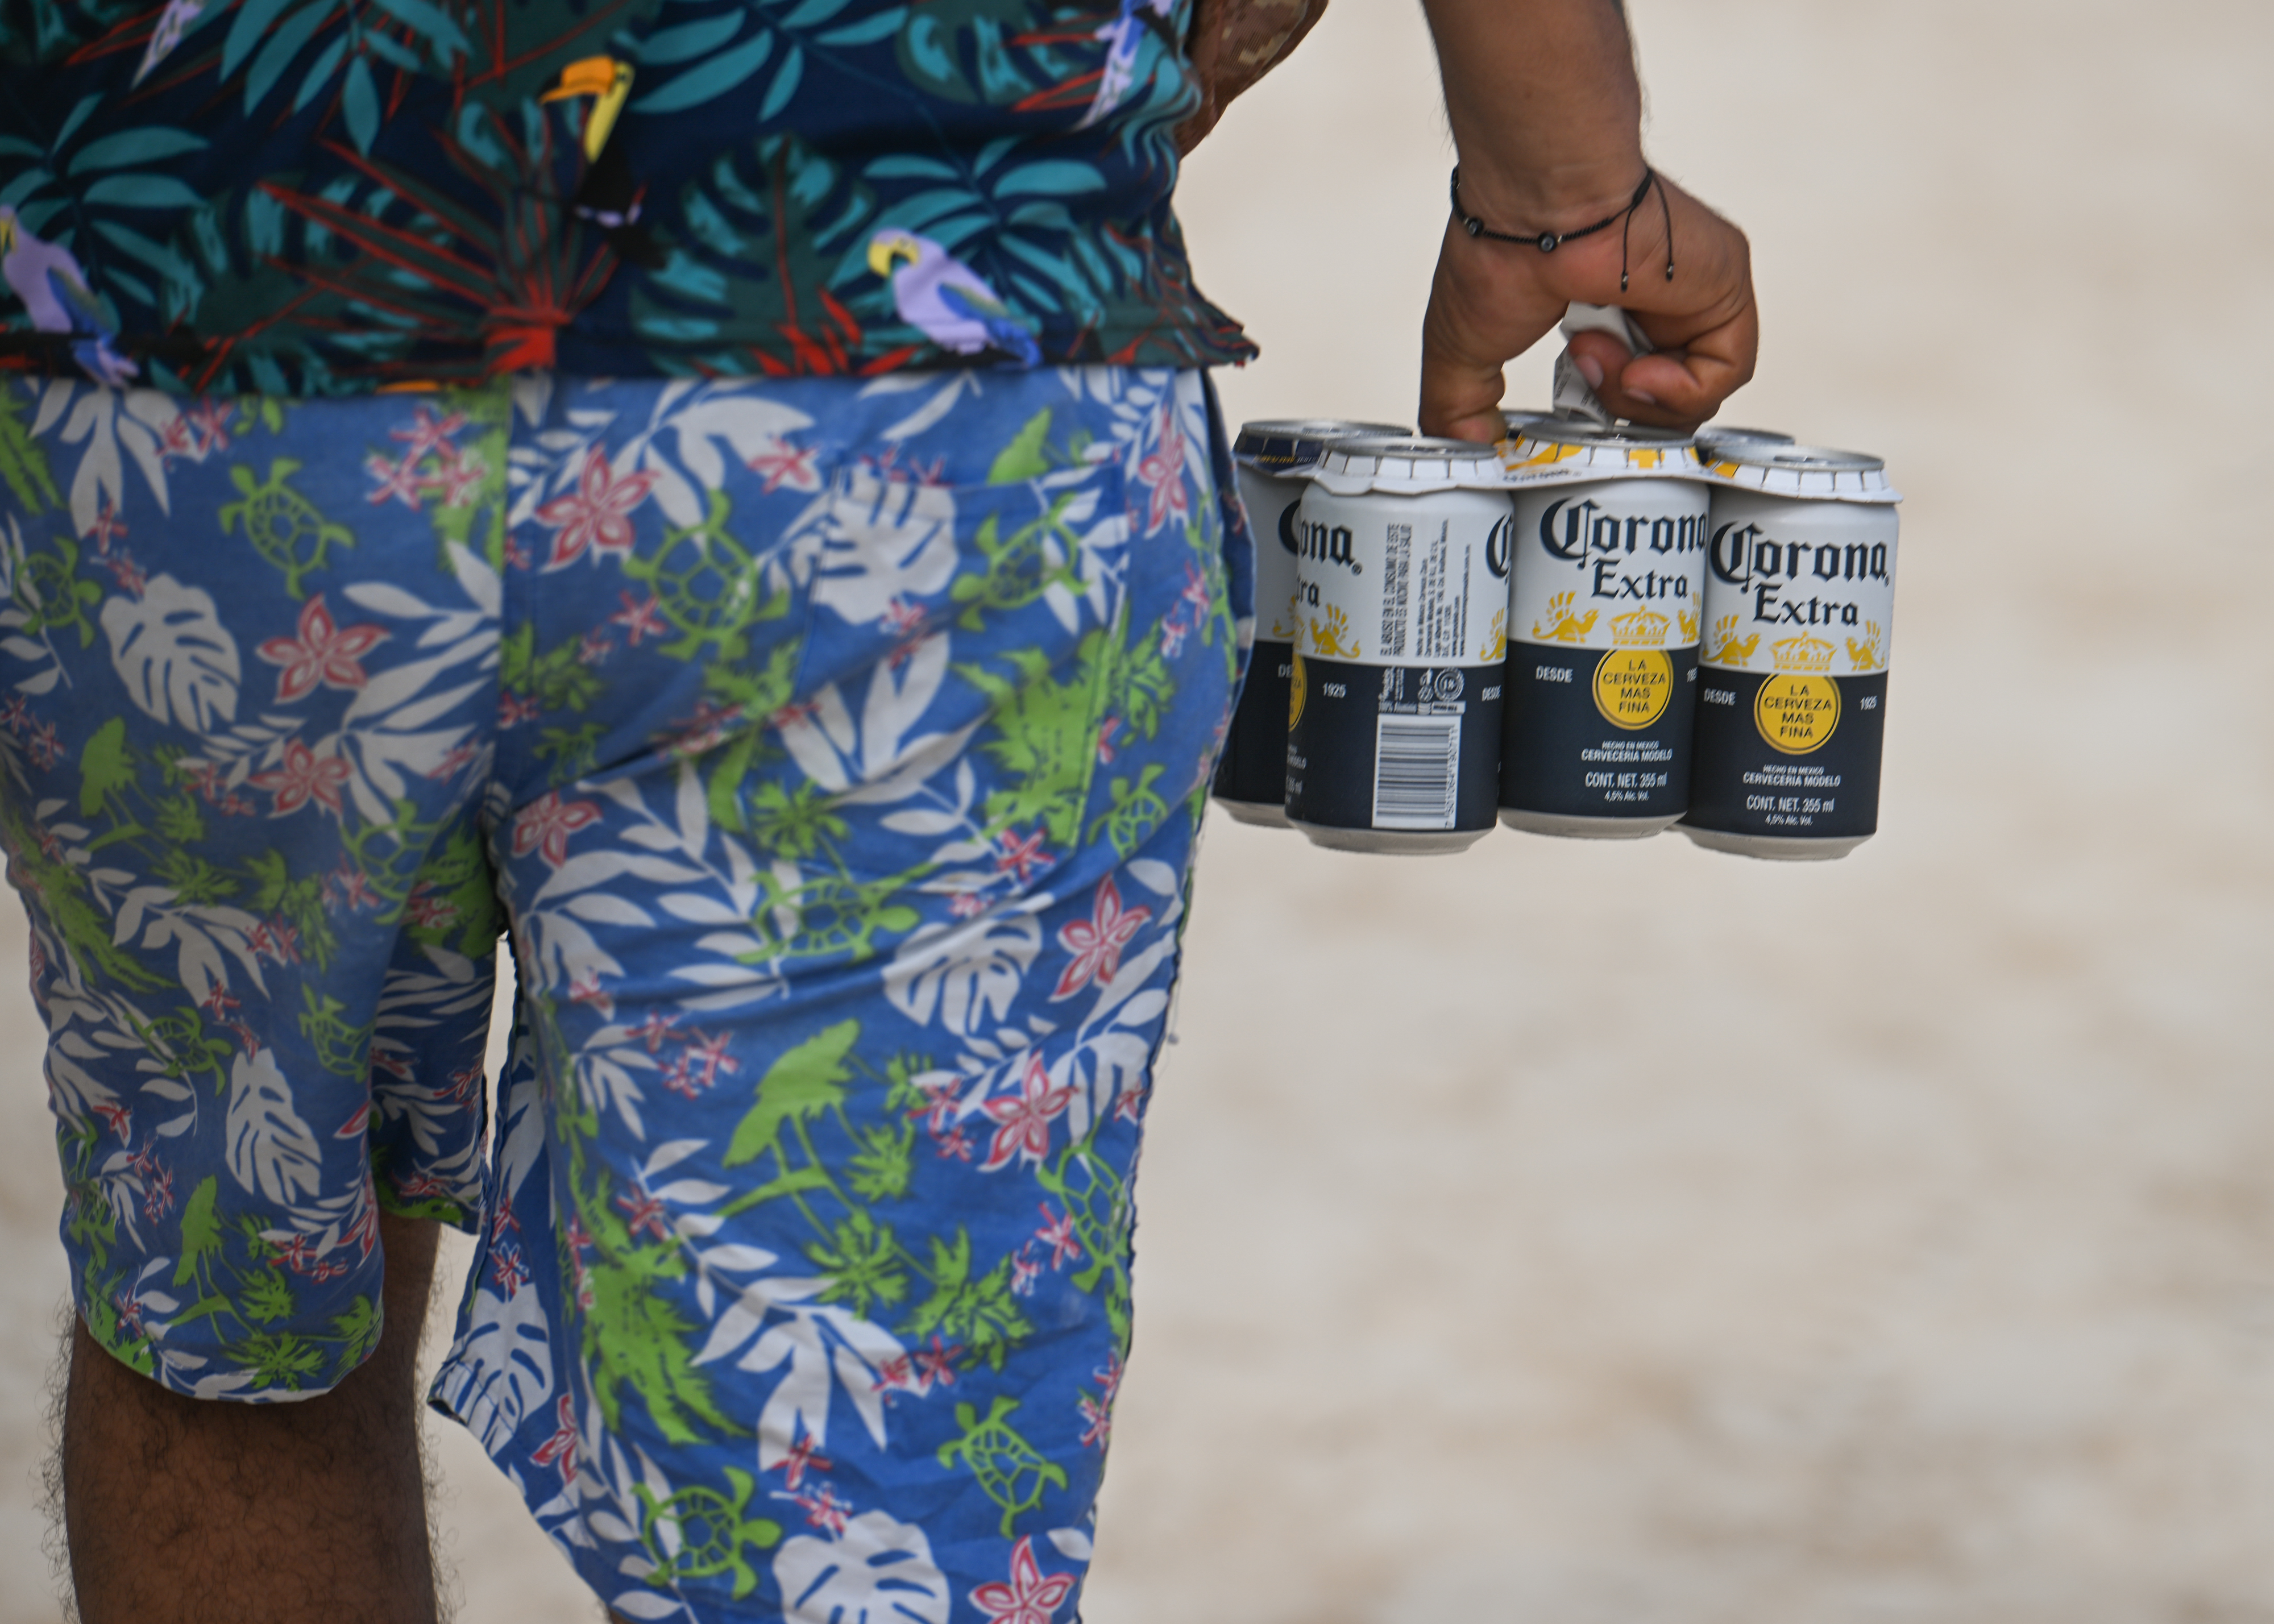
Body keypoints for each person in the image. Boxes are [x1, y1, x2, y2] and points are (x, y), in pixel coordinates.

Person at [0, 0, 1754, 1617]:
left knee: (233, 1291)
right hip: (913, 375)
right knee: (868, 1495)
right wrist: (1565, 199)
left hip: (189, 327)